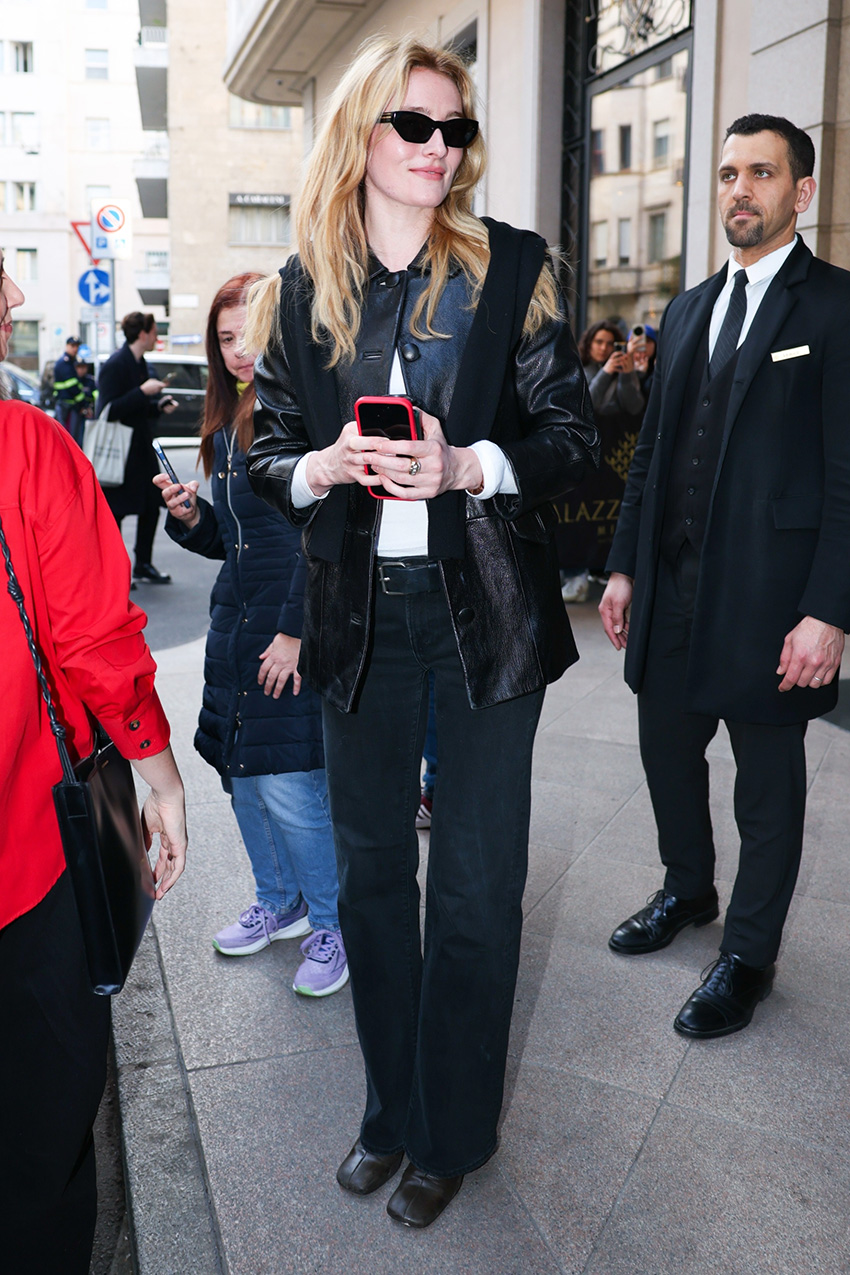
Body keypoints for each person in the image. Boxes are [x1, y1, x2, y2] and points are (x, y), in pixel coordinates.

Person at [245, 34, 598, 1228]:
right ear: (362, 136)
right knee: (374, 881)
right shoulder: (304, 283)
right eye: (414, 126)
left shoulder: (512, 268)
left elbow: (570, 437)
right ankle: (387, 1111)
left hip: (485, 617)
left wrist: (469, 463)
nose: (438, 149)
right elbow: (262, 453)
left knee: (478, 888)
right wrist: (321, 466)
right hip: (358, 621)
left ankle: (452, 1131)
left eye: (454, 130)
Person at [599, 114, 850, 1039]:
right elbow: (654, 451)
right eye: (727, 173)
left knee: (767, 785)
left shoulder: (835, 306)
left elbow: (848, 476)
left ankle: (747, 954)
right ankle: (687, 889)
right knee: (667, 753)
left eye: (762, 173)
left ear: (802, 193)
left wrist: (828, 610)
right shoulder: (691, 306)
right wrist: (622, 565)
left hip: (773, 598)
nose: (739, 189)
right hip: (673, 583)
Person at [0, 257, 188, 1274]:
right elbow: (92, 642)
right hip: (24, 862)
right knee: (39, 1142)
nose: (16, 299)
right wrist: (159, 783)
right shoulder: (25, 447)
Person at [154, 273, 347, 997]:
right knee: (243, 779)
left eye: (252, 336)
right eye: (227, 338)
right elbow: (233, 541)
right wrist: (190, 515)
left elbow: (324, 527)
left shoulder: (300, 411)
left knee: (293, 785)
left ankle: (334, 922)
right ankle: (281, 901)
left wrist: (296, 632)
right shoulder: (233, 419)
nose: (240, 351)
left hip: (288, 629)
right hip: (237, 626)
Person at [560, 321, 646, 602]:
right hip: (585, 459)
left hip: (614, 460)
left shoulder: (624, 370)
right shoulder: (577, 371)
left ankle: (604, 570)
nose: (605, 348)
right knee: (578, 517)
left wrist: (626, 372)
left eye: (611, 344)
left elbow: (633, 406)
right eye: (599, 342)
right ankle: (576, 575)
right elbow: (588, 404)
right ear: (589, 344)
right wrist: (607, 372)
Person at [97, 312, 177, 585]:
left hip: (141, 450)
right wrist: (142, 392)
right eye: (154, 331)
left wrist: (158, 405)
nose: (156, 336)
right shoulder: (116, 364)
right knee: (116, 512)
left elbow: (139, 409)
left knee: (151, 507)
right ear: (142, 333)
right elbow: (108, 410)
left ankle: (143, 563)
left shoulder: (142, 363)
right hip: (120, 453)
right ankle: (117, 570)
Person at [53, 333, 85, 442]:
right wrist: (83, 403)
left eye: (77, 346)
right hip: (66, 404)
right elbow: (72, 387)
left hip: (68, 404)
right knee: (67, 437)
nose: (75, 349)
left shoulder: (71, 362)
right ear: (67, 346)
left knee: (69, 436)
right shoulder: (64, 363)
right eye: (73, 346)